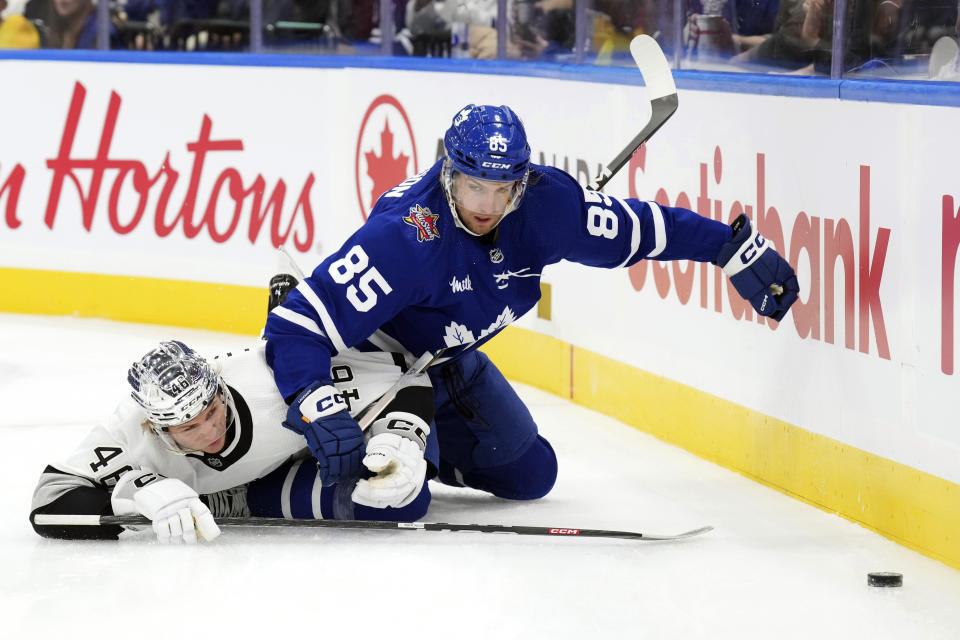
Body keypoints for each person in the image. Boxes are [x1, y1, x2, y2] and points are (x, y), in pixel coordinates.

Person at [263, 104, 800, 514]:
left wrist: (727, 249)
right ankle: (274, 481)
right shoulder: (405, 237)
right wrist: (314, 401)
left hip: (449, 362)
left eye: (502, 189)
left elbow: (635, 231)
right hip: (376, 366)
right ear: (448, 172)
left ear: (522, 181)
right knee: (398, 501)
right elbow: (295, 325)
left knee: (530, 475)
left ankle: (419, 453)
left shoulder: (545, 203)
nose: (487, 206)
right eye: (474, 186)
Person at [30, 279, 435, 543]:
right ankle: (236, 498)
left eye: (211, 409)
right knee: (396, 502)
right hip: (266, 480)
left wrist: (399, 437)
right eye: (189, 427)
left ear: (220, 387)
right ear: (157, 428)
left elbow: (407, 375)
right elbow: (46, 505)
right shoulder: (129, 434)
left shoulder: (269, 379)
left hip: (311, 438)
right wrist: (139, 491)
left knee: (405, 485)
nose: (210, 431)